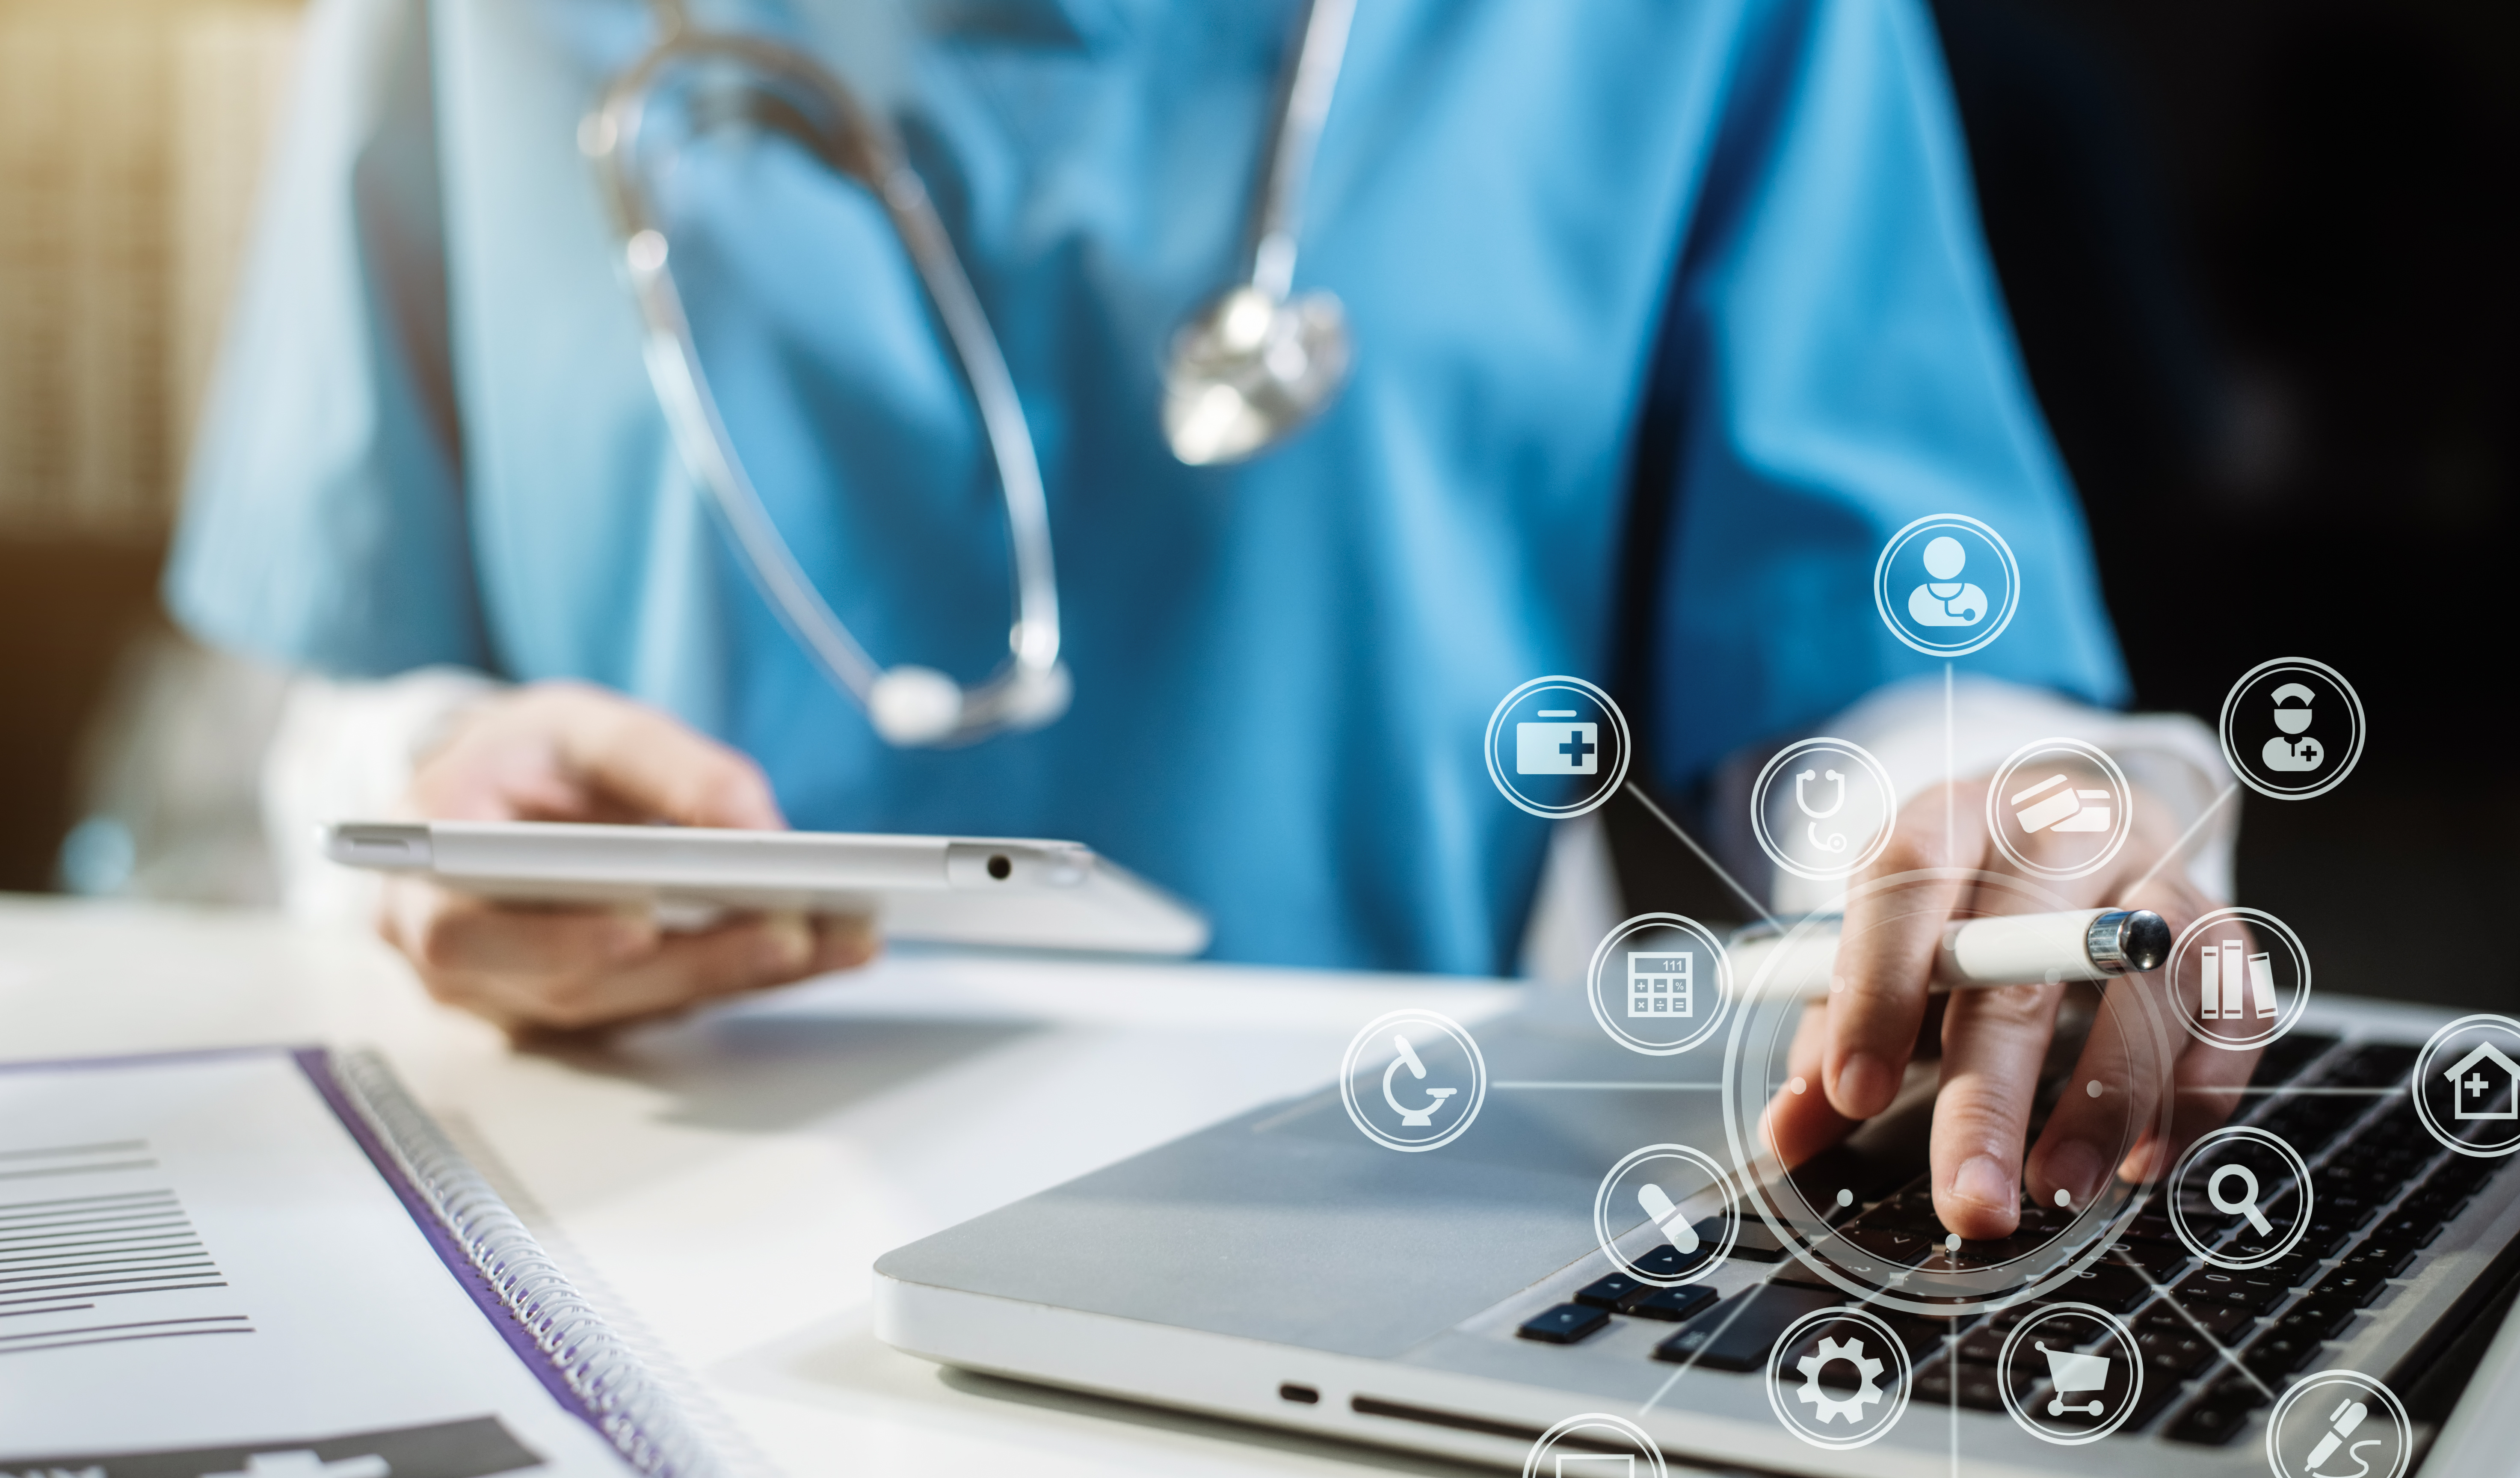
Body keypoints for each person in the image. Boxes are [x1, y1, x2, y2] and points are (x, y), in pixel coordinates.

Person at [166, 0, 2229, 1238]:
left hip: (1387, 1206)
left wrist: (1970, 825)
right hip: (602, 1190)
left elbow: (1860, 649)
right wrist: (422, 791)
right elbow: (333, 670)